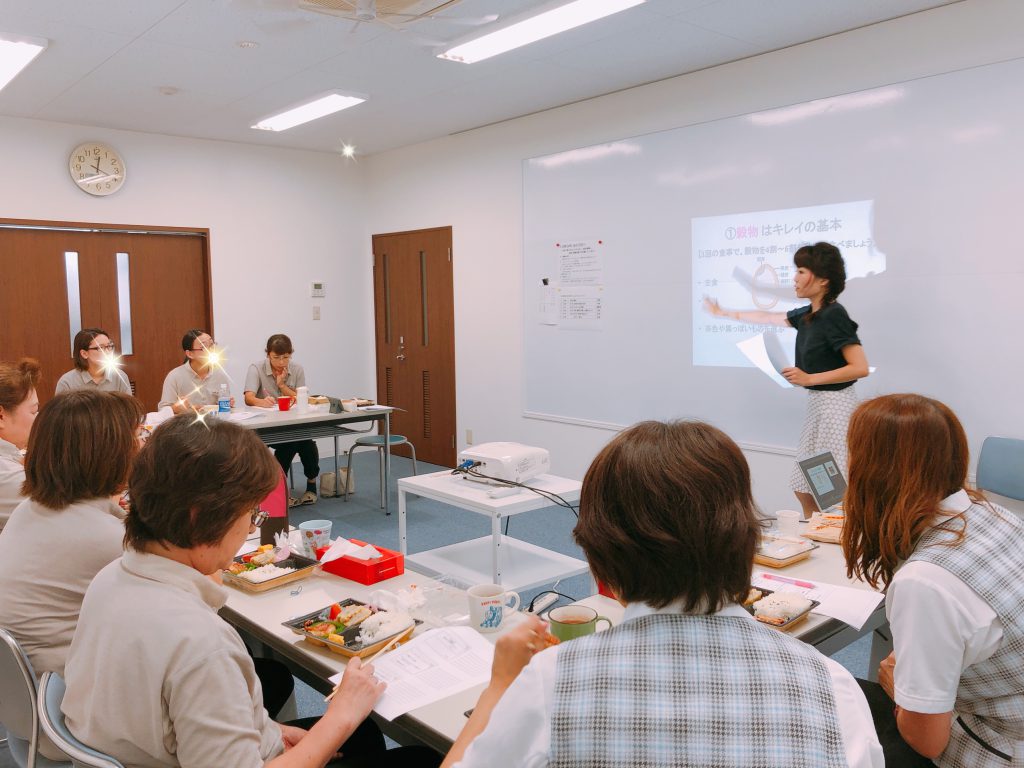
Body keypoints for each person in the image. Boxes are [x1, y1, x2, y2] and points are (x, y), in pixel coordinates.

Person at [443, 420, 882, 768]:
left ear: (600, 561)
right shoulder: (833, 686)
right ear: (746, 542)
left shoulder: (550, 681)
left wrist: (499, 686)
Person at [63, 415, 441, 768]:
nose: (250, 529)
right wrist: (340, 715)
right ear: (200, 518)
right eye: (250, 515)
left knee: (362, 735)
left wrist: (266, 730)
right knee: (421, 757)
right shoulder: (201, 644)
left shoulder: (110, 578)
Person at [842, 394, 1024, 767]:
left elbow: (927, 742)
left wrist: (898, 688)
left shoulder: (925, 583)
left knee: (833, 693)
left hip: (998, 746)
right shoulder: (996, 514)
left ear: (872, 470)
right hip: (1008, 704)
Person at [704, 242, 869, 517]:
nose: (794, 278)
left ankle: (839, 535)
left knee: (835, 489)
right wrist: (724, 314)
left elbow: (859, 367)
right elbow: (768, 317)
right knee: (804, 486)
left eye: (801, 271)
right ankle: (815, 531)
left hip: (837, 407)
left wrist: (810, 378)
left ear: (823, 280)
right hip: (818, 405)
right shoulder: (808, 316)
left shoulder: (834, 315)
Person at [0, 389, 143, 677]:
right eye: (136, 437)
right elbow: (185, 608)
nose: (141, 447)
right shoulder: (106, 539)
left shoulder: (30, 509)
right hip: (63, 686)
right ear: (110, 453)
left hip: (18, 688)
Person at [244, 333, 319, 506]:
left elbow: (302, 399)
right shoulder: (256, 368)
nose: (281, 362)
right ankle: (279, 491)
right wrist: (262, 402)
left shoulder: (297, 369)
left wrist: (282, 386)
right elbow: (249, 398)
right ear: (268, 354)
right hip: (266, 426)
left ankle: (311, 485)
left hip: (292, 423)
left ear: (291, 354)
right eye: (276, 357)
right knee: (289, 443)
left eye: (285, 357)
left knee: (306, 442)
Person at [0, 358, 40, 532]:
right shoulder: (7, 474)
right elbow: (66, 513)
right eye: (33, 411)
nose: (38, 419)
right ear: (1, 416)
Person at [159, 329, 235, 413]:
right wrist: (175, 409)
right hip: (186, 421)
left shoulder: (219, 375)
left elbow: (223, 409)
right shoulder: (175, 376)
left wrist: (227, 404)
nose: (211, 350)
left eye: (212, 344)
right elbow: (162, 411)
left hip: (213, 420)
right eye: (204, 347)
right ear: (190, 354)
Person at [55, 327, 132, 394]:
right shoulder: (67, 382)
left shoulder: (120, 377)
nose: (108, 352)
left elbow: (128, 406)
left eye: (109, 346)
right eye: (100, 348)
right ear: (84, 354)